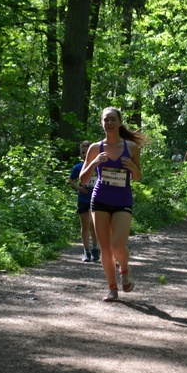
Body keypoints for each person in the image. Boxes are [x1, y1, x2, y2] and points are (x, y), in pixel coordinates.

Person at [79, 107, 147, 302]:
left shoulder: (131, 147)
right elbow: (83, 180)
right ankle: (112, 288)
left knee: (118, 244)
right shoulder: (94, 148)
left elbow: (138, 178)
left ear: (119, 122)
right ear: (102, 123)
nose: (109, 123)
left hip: (122, 200)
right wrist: (94, 163)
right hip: (100, 199)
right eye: (105, 120)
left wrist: (133, 167)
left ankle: (125, 269)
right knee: (105, 248)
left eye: (112, 120)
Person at [69, 141, 100, 262]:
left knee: (94, 225)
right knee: (85, 225)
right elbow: (71, 179)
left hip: (96, 198)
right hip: (83, 198)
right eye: (82, 152)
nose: (84, 155)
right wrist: (78, 188)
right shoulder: (78, 167)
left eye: (87, 152)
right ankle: (86, 251)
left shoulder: (98, 167)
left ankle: (95, 248)